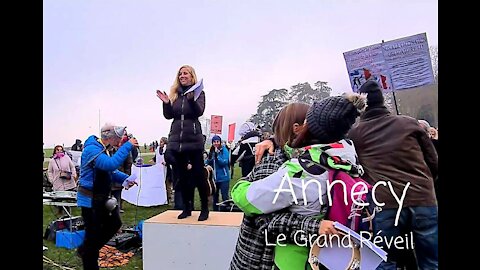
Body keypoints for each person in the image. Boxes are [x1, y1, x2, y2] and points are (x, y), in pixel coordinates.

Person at [231, 94, 366, 269]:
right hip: (328, 257)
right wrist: (275, 141)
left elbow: (249, 202)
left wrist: (242, 184)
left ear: (306, 128)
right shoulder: (346, 159)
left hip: (286, 259)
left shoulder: (299, 171)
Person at [348, 80, 438, 269]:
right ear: (383, 101)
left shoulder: (355, 134)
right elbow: (433, 161)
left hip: (385, 203)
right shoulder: (409, 124)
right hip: (422, 198)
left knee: (385, 261)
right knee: (431, 261)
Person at [76, 124, 138, 270]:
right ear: (111, 137)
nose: (120, 140)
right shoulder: (92, 149)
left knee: (114, 223)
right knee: (93, 236)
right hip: (89, 201)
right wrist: (128, 146)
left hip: (100, 199)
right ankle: (88, 253)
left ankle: (86, 249)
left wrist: (125, 179)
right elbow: (110, 165)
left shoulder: (103, 149)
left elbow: (111, 171)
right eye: (118, 138)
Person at [156, 64, 209, 221]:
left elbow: (199, 111)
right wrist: (166, 103)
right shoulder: (176, 95)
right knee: (183, 177)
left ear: (192, 76)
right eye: (180, 74)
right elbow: (169, 115)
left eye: (185, 73)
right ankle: (187, 208)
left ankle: (205, 208)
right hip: (177, 142)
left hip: (193, 141)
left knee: (199, 176)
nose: (182, 76)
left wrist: (192, 100)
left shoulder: (199, 93)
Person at [47, 145, 77, 216]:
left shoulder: (67, 158)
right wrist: (51, 180)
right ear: (55, 151)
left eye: (61, 150)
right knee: (58, 199)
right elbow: (49, 171)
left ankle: (68, 212)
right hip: (58, 182)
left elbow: (72, 167)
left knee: (68, 198)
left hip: (68, 181)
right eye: (58, 150)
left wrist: (74, 174)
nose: (59, 151)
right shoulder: (52, 161)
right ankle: (60, 211)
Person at [206, 135, 230, 211]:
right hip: (214, 178)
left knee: (224, 196)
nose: (216, 143)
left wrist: (217, 156)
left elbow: (225, 162)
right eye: (214, 142)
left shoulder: (224, 150)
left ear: (220, 142)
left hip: (224, 177)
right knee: (215, 196)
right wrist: (207, 162)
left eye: (217, 141)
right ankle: (215, 211)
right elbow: (208, 162)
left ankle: (226, 211)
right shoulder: (211, 151)